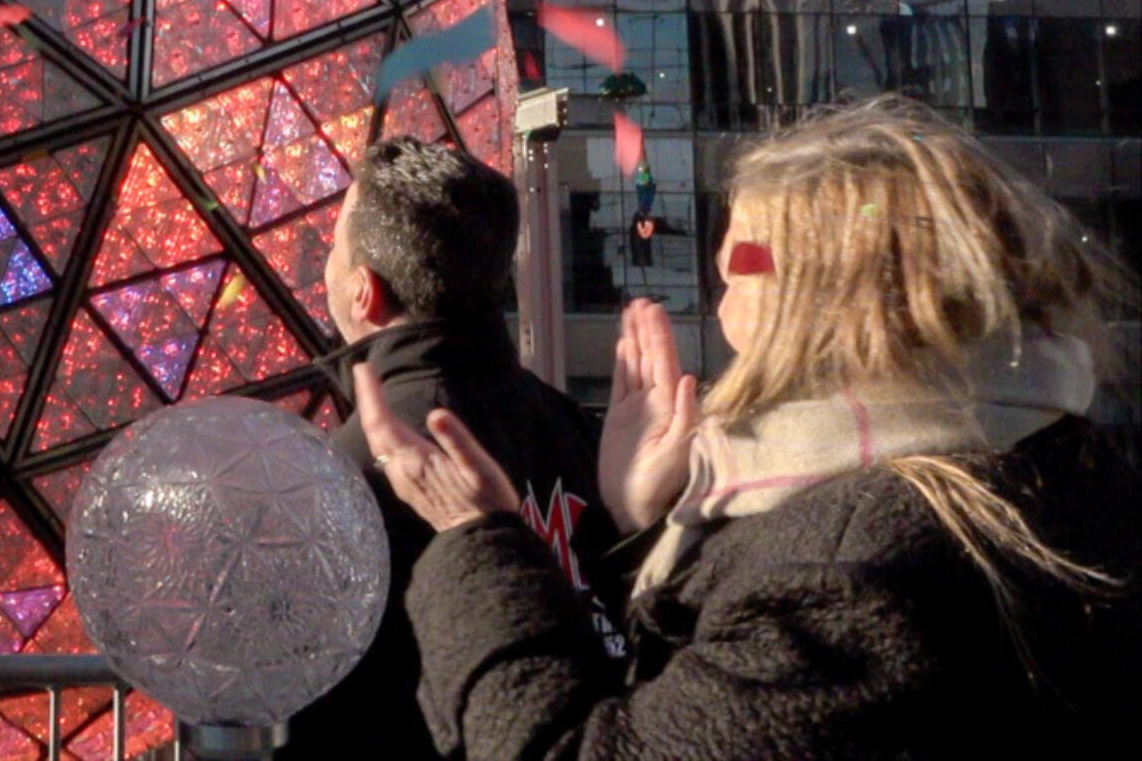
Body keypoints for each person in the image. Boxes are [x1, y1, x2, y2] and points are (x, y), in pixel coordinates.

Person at [359, 98, 1142, 755]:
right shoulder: (1050, 456)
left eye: (750, 255)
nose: (723, 268)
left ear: (845, 292)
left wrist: (475, 541)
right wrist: (638, 522)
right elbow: (703, 701)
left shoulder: (863, 561)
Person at [284, 138, 620, 757]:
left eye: (334, 246)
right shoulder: (574, 429)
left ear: (364, 292)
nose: (324, 264)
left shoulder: (342, 475)